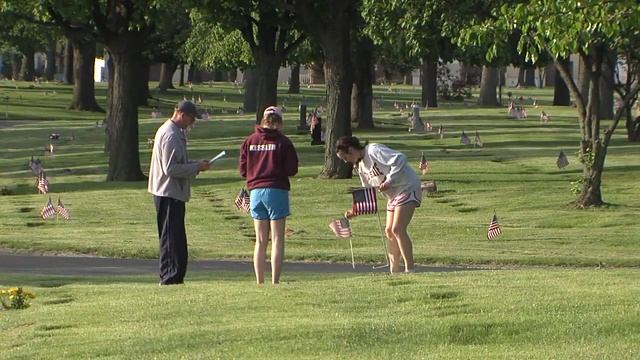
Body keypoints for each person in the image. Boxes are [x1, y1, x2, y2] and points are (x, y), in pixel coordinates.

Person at [336, 136, 421, 273]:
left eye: (345, 157)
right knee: (389, 231)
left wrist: (389, 181)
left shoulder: (373, 150)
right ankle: (394, 270)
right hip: (393, 196)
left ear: (351, 150)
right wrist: (355, 211)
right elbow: (367, 190)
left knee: (397, 229)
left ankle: (409, 269)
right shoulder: (360, 166)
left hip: (407, 187)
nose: (346, 161)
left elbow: (400, 158)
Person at [148, 100, 211, 285]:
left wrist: (196, 165)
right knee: (170, 237)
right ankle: (169, 276)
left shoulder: (176, 133)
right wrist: (195, 167)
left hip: (173, 192)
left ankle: (176, 275)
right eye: (192, 119)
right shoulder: (170, 135)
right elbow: (170, 169)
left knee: (176, 235)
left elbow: (178, 162)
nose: (192, 123)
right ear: (182, 115)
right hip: (167, 192)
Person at [239, 106, 299, 284]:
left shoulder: (249, 141)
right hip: (276, 189)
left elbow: (243, 170)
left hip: (256, 191)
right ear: (279, 122)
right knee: (278, 238)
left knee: (260, 240)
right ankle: (275, 280)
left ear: (263, 120)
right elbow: (292, 169)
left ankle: (259, 281)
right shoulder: (283, 142)